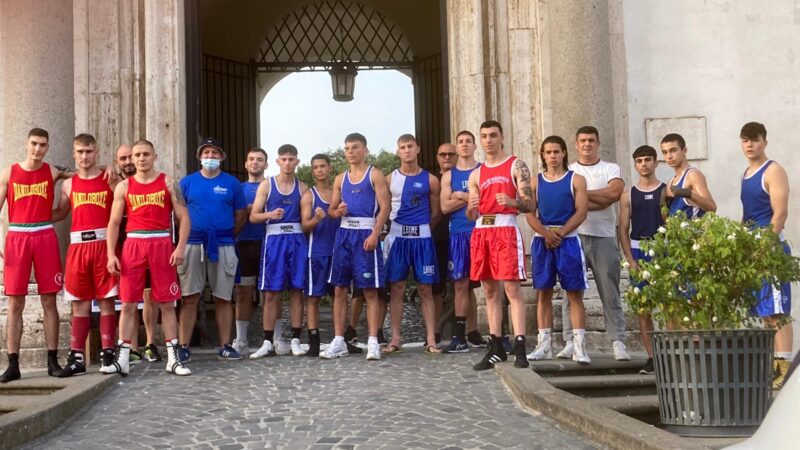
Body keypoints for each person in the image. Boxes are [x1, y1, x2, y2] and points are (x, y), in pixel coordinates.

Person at [104, 139, 191, 376]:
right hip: (133, 243)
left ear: (155, 156)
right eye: (137, 155)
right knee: (129, 303)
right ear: (131, 158)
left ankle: (173, 358)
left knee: (166, 302)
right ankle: (123, 357)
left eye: (145, 154)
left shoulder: (169, 183)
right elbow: (113, 223)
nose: (141, 158)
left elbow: (184, 217)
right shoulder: (124, 187)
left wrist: (180, 247)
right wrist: (111, 254)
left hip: (161, 242)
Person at [0, 128, 75, 382]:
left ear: (48, 147)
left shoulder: (52, 172)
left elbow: (80, 174)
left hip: (44, 236)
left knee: (49, 300)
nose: (38, 149)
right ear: (26, 144)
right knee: (15, 303)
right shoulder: (9, 173)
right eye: (34, 144)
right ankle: (13, 364)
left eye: (43, 145)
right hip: (18, 237)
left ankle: (53, 361)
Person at [50, 134, 118, 376]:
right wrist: (31, 216)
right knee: (79, 303)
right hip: (78, 245)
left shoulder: (110, 178)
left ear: (96, 152)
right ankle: (77, 358)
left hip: (102, 244)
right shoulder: (68, 184)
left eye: (88, 151)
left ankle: (109, 354)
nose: (84, 156)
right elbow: (59, 212)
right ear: (73, 153)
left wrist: (111, 168)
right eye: (80, 152)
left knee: (107, 301)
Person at [560, 126, 629, 361]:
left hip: (604, 236)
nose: (587, 144)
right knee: (571, 291)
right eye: (582, 140)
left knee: (610, 291)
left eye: (591, 140)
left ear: (597, 143)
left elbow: (613, 195)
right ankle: (570, 340)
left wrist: (581, 196)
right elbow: (566, 203)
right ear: (576, 144)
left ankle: (617, 340)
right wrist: (593, 199)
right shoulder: (569, 170)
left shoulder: (610, 168)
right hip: (574, 237)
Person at [467, 120, 532, 370]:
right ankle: (494, 346)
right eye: (484, 136)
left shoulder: (516, 165)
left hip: (505, 229)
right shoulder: (476, 174)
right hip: (482, 230)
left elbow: (530, 204)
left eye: (493, 135)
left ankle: (520, 346)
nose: (488, 140)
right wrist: (471, 207)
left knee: (512, 290)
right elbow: (471, 217)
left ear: (502, 137)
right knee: (489, 291)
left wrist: (513, 202)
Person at [177, 138, 247, 361]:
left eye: (214, 153)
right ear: (199, 157)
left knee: (224, 297)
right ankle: (183, 345)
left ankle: (225, 344)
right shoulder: (186, 183)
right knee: (189, 296)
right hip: (193, 243)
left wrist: (226, 235)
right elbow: (179, 215)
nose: (210, 157)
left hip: (224, 244)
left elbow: (241, 214)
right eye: (206, 153)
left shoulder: (232, 183)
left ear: (222, 157)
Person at [323, 133, 391, 360]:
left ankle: (373, 341)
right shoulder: (340, 179)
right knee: (340, 289)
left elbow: (385, 207)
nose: (350, 152)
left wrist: (375, 233)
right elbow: (332, 210)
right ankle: (339, 339)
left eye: (355, 147)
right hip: (344, 234)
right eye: (347, 148)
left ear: (365, 150)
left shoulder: (375, 174)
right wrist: (337, 211)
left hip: (365, 234)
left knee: (369, 290)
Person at [526, 136, 590, 364]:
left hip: (568, 240)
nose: (552, 156)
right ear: (542, 155)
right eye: (548, 152)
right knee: (543, 292)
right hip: (543, 241)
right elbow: (529, 213)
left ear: (564, 153)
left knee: (574, 293)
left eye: (556, 151)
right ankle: (544, 345)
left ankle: (579, 346)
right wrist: (546, 234)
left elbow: (581, 212)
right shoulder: (535, 182)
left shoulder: (577, 180)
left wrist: (560, 233)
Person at [738, 122, 792, 388]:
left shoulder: (774, 171)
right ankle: (772, 367)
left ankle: (783, 371)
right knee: (763, 312)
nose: (750, 145)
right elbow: (747, 215)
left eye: (754, 140)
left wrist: (765, 247)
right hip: (751, 248)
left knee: (777, 311)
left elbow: (779, 214)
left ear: (764, 142)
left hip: (769, 249)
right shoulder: (747, 173)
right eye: (745, 140)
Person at [383, 134, 442, 354]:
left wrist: (423, 229)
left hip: (422, 237)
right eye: (402, 147)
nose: (407, 150)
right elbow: (385, 209)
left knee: (425, 288)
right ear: (397, 151)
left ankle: (431, 338)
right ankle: (395, 338)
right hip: (398, 236)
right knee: (396, 288)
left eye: (410, 146)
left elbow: (436, 213)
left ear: (418, 148)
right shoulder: (389, 179)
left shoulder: (431, 180)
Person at [249, 144, 309, 358]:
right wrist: (269, 215)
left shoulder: (303, 188)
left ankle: (295, 339)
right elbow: (253, 216)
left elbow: (307, 220)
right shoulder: (267, 185)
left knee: (296, 290)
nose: (287, 163)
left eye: (291, 159)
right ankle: (267, 341)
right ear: (277, 161)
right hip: (274, 239)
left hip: (296, 239)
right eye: (284, 159)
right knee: (271, 292)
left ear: (297, 162)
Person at [617, 145, 666, 375]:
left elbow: (672, 224)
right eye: (639, 160)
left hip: (663, 252)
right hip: (639, 250)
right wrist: (631, 260)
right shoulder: (628, 194)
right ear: (635, 165)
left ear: (656, 163)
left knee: (669, 305)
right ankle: (652, 357)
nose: (644, 164)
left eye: (648, 160)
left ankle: (671, 354)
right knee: (643, 309)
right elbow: (623, 229)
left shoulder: (667, 191)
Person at [439, 134, 486, 352]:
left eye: (468, 141)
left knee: (491, 282)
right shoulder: (449, 175)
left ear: (475, 145)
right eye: (461, 142)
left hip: (484, 231)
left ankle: (495, 334)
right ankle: (460, 336)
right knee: (461, 284)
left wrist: (460, 195)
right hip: (459, 234)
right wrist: (471, 196)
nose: (464, 145)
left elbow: (489, 201)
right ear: (457, 147)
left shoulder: (485, 170)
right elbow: (445, 208)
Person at [115, 144, 161, 364]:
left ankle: (151, 343)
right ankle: (130, 348)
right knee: (128, 300)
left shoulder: (157, 182)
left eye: (128, 157)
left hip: (151, 242)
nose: (127, 161)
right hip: (125, 245)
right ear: (119, 162)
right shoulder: (116, 184)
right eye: (122, 158)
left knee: (150, 295)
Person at [300, 154, 340, 357]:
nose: (320, 170)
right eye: (316, 167)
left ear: (329, 168)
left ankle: (339, 338)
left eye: (323, 166)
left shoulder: (338, 192)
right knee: (313, 297)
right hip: (316, 253)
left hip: (338, 252)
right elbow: (304, 226)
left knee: (339, 297)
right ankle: (313, 340)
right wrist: (316, 218)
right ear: (312, 171)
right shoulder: (309, 195)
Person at [232, 148, 268, 356]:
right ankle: (242, 340)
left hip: (267, 244)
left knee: (269, 293)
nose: (255, 163)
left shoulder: (272, 186)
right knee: (243, 293)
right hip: (243, 244)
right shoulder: (238, 189)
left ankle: (275, 338)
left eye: (260, 160)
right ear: (246, 164)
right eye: (252, 159)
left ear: (266, 164)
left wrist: (251, 210)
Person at [660, 133, 716, 218]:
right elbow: (668, 221)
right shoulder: (670, 182)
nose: (669, 156)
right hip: (676, 231)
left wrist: (688, 193)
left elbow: (712, 207)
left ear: (684, 150)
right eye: (665, 152)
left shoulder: (693, 175)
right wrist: (663, 204)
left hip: (694, 230)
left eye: (673, 150)